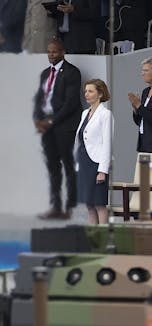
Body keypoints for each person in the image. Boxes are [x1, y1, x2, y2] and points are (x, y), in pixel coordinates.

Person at [33, 38, 81, 220]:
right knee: (52, 168)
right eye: (49, 52)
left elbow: (71, 103)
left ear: (63, 52)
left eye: (54, 51)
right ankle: (56, 207)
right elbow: (40, 98)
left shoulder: (71, 72)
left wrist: (51, 121)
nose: (51, 55)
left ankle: (71, 208)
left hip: (64, 128)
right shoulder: (45, 73)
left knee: (69, 167)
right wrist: (38, 119)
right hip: (47, 129)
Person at [74, 79, 112, 225]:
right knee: (88, 204)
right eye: (85, 91)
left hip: (96, 163)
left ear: (100, 93)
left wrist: (102, 170)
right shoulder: (85, 113)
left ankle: (104, 239)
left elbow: (107, 143)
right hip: (83, 161)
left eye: (90, 91)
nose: (86, 94)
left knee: (99, 204)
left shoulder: (106, 114)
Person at [128, 58, 152, 154]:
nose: (142, 73)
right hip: (143, 143)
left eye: (146, 70)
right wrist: (135, 108)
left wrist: (139, 106)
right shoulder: (145, 91)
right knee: (143, 170)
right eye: (142, 70)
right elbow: (140, 121)